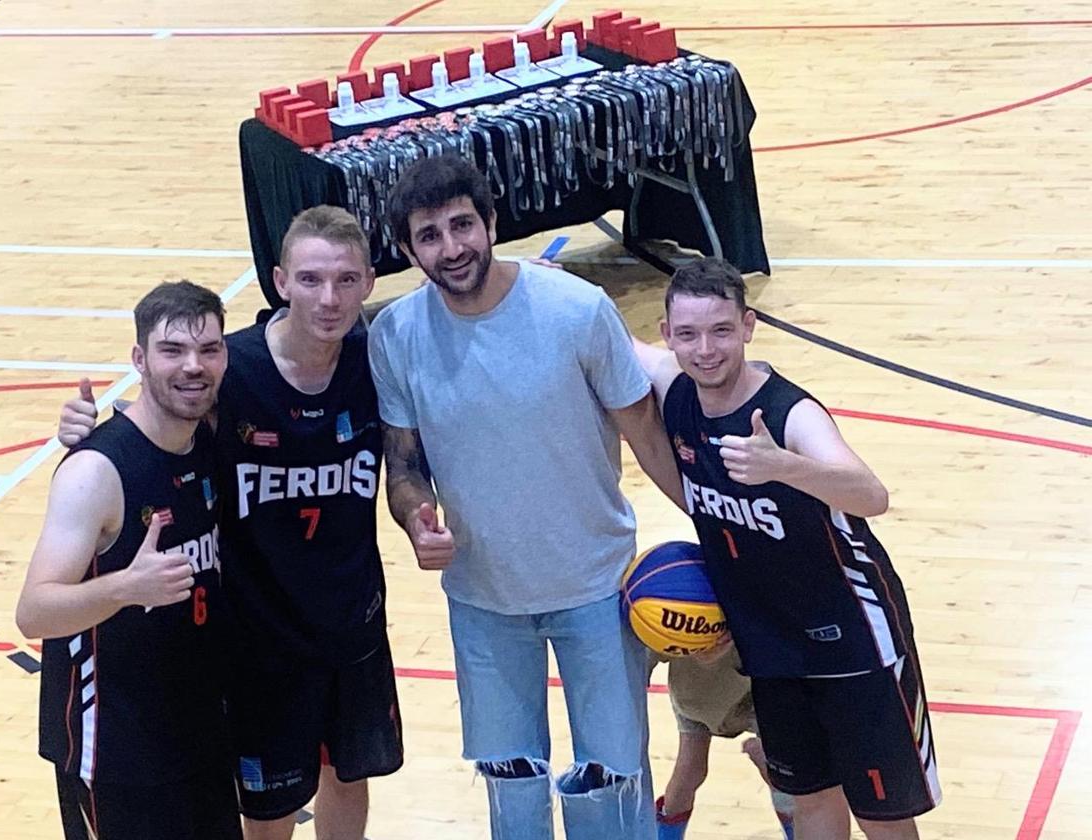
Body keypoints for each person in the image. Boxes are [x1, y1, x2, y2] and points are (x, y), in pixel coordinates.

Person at [366, 153, 686, 840]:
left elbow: (647, 433)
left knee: (613, 783)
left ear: (491, 220)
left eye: (462, 225)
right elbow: (403, 464)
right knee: (511, 792)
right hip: (483, 602)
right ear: (405, 248)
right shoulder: (394, 335)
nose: (450, 248)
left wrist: (715, 523)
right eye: (429, 235)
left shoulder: (577, 310)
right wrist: (414, 517)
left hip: (596, 589)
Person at [57, 206, 403, 840]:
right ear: (278, 281)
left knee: (350, 781)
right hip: (258, 638)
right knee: (268, 812)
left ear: (369, 282)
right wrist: (88, 433)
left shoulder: (375, 358)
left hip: (352, 621)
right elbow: (156, 418)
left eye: (346, 280)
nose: (328, 299)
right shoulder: (231, 369)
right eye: (310, 279)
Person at [633, 257, 941, 839]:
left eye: (722, 331)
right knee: (812, 802)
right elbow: (599, 333)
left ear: (748, 326)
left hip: (853, 640)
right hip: (771, 645)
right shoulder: (675, 388)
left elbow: (872, 495)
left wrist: (783, 466)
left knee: (881, 815)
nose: (706, 350)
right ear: (667, 332)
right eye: (689, 334)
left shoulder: (790, 414)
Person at [17, 280, 241, 840]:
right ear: (139, 358)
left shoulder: (205, 441)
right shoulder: (96, 471)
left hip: (199, 734)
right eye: (173, 351)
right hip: (116, 753)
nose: (194, 366)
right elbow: (34, 612)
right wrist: (125, 587)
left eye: (208, 349)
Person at [651, 640, 795, 840]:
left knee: (689, 770)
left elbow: (649, 646)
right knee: (781, 773)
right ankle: (798, 830)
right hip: (751, 686)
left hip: (696, 692)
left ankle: (665, 835)